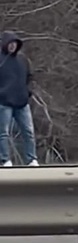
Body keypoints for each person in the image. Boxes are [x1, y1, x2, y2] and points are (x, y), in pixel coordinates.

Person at [0, 31, 39, 167]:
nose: (12, 46)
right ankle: (5, 160)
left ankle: (31, 159)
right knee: (3, 133)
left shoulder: (23, 60)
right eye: (10, 44)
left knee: (28, 132)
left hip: (22, 102)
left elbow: (30, 77)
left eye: (14, 44)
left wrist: (28, 92)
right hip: (4, 103)